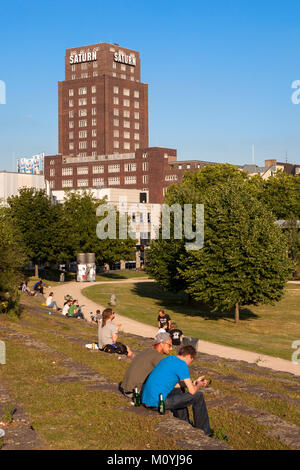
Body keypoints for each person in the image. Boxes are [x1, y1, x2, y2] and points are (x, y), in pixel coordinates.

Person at [141, 345, 212, 436]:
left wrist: (193, 383)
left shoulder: (168, 359)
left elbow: (174, 384)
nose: (190, 363)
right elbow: (192, 392)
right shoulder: (182, 365)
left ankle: (184, 422)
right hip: (158, 403)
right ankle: (205, 431)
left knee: (178, 390)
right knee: (198, 396)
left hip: (147, 400)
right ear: (188, 356)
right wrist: (199, 385)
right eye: (191, 360)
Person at [119, 332, 173, 399]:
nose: (171, 348)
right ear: (162, 344)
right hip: (134, 391)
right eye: (169, 345)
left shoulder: (147, 351)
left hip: (126, 387)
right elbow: (167, 375)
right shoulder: (156, 356)